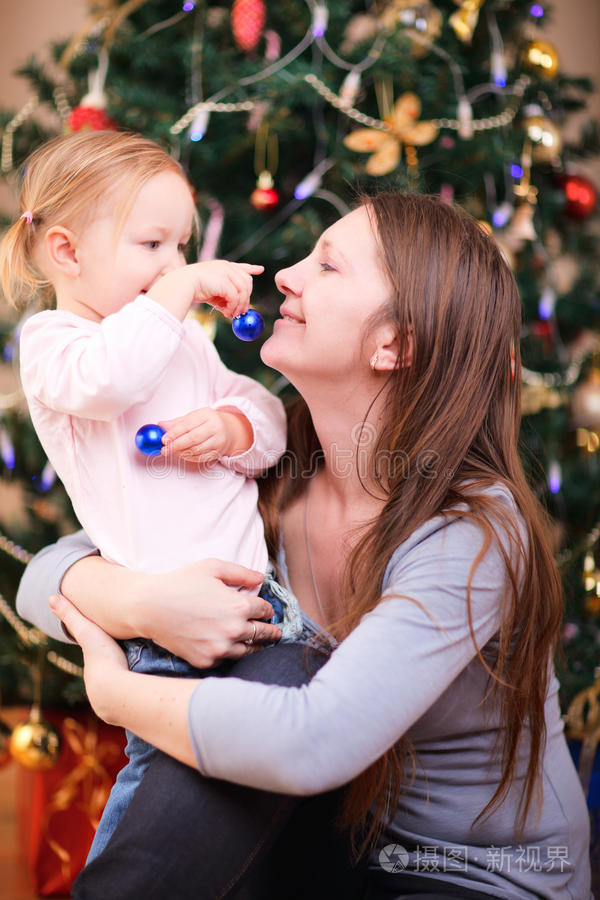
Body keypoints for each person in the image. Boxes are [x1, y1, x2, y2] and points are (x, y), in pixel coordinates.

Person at [17, 192, 592, 899]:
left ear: (396, 343)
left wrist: (116, 694)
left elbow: (310, 743)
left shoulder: (473, 531)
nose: (285, 274)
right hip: (324, 840)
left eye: (328, 265)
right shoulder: (272, 466)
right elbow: (41, 579)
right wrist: (144, 602)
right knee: (243, 704)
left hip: (465, 874)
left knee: (260, 694)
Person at [1, 129, 298, 861]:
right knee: (160, 805)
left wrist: (232, 427)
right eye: (153, 244)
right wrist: (179, 290)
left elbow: (268, 414)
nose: (177, 264)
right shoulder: (55, 344)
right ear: (67, 253)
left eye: (182, 245)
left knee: (261, 802)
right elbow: (111, 382)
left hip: (259, 606)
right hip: (164, 640)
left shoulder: (185, 343)